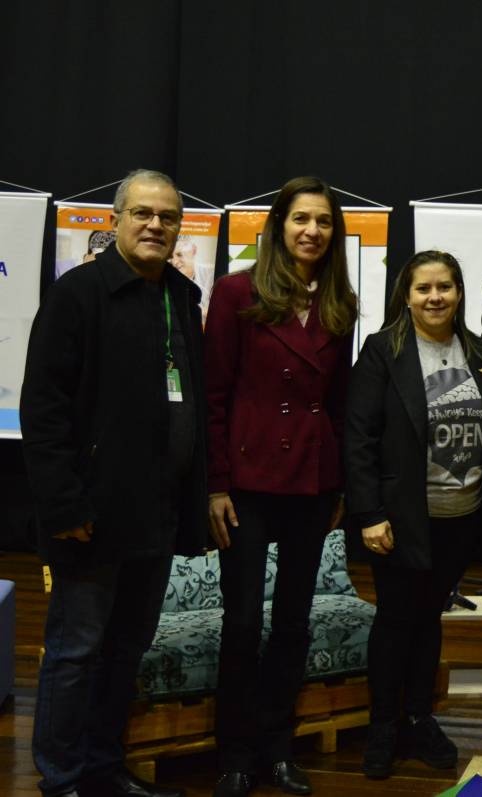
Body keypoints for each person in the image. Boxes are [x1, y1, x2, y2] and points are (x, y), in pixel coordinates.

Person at [22, 169, 206, 797]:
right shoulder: (76, 295)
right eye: (142, 214)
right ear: (116, 220)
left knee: (127, 650)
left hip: (157, 513)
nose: (156, 225)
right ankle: (61, 779)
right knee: (76, 651)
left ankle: (104, 767)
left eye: (168, 217)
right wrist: (64, 505)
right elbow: (43, 409)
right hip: (91, 516)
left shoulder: (182, 297)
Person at [206, 176, 357, 797]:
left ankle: (277, 747)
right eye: (301, 219)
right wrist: (216, 485)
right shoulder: (236, 292)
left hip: (312, 481)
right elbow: (214, 397)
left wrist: (340, 485)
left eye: (323, 221)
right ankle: (235, 754)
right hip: (246, 481)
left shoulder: (340, 302)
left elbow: (340, 403)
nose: (311, 231)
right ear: (277, 226)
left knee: (294, 621)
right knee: (243, 622)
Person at [344, 251, 482, 779]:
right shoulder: (382, 351)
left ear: (459, 292)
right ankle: (384, 726)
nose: (435, 297)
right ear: (406, 296)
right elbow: (359, 438)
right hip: (400, 519)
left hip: (462, 515)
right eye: (424, 289)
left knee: (430, 617)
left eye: (445, 287)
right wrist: (369, 513)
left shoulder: (480, 352)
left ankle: (419, 718)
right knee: (396, 619)